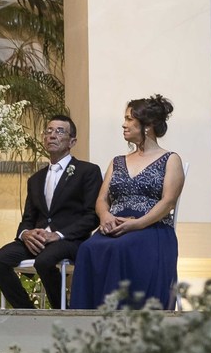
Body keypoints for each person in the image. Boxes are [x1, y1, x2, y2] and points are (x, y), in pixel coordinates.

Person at [71, 93, 184, 309]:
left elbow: (168, 202)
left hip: (152, 227)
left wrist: (137, 224)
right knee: (87, 249)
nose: (124, 125)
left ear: (147, 125)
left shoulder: (170, 159)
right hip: (116, 225)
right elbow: (102, 198)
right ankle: (86, 321)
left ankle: (119, 316)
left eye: (130, 119)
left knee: (121, 247)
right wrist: (105, 216)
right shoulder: (117, 161)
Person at [0, 114, 103, 309]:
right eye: (48, 131)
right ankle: (27, 312)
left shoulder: (87, 171)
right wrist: (26, 234)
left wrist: (57, 235)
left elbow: (92, 216)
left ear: (72, 141)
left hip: (70, 240)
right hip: (37, 240)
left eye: (59, 131)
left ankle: (59, 312)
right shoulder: (36, 179)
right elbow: (28, 218)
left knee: (44, 261)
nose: (52, 135)